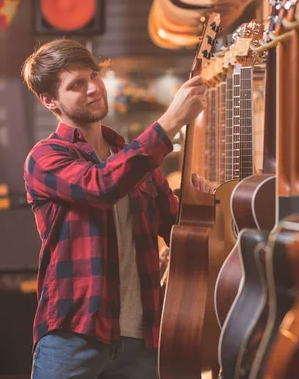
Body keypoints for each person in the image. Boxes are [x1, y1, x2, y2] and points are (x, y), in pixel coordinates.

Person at [21, 39, 212, 378]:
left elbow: (178, 229)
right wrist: (171, 121)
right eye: (77, 84)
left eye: (94, 75)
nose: (94, 88)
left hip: (141, 337)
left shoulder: (134, 159)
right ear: (49, 100)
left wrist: (205, 207)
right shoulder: (45, 158)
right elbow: (102, 185)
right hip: (74, 336)